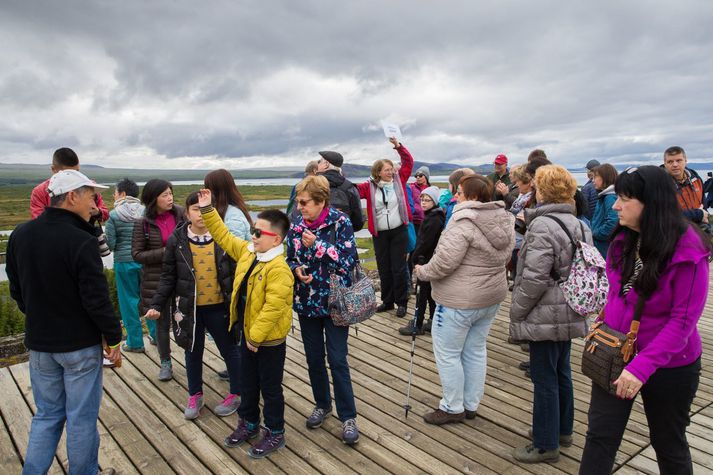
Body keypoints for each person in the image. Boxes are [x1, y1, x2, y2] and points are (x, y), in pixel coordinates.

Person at [580, 166, 711, 475]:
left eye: (624, 198)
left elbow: (682, 322)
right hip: (616, 353)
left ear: (651, 202)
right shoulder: (624, 240)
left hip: (671, 365)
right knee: (600, 436)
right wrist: (600, 323)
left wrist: (639, 368)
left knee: (668, 442)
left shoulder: (688, 251)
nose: (615, 206)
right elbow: (617, 295)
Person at [7, 170, 121, 474]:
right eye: (90, 196)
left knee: (46, 416)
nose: (95, 206)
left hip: (40, 346)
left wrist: (40, 317)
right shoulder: (81, 240)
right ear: (71, 196)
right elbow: (96, 301)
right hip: (79, 347)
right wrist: (114, 337)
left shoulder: (20, 234)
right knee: (81, 419)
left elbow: (16, 289)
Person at [198, 190, 293, 459]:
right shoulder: (250, 253)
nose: (253, 236)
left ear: (276, 238)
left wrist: (256, 337)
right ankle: (249, 423)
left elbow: (274, 307)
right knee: (248, 383)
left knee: (271, 388)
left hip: (268, 341)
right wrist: (207, 210)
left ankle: (275, 432)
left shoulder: (279, 268)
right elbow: (224, 237)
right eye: (253, 230)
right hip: (248, 334)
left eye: (259, 233)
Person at [416, 175, 514, 425]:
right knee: (475, 350)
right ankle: (470, 404)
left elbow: (444, 262)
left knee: (448, 354)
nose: (456, 196)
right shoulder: (505, 219)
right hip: (490, 296)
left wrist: (422, 271)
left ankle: (452, 406)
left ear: (471, 196)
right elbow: (505, 258)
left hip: (458, 299)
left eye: (459, 192)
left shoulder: (463, 221)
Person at [509, 165, 591, 463]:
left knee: (544, 377)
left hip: (544, 311)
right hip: (571, 305)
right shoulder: (580, 223)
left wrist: (517, 310)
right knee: (561, 371)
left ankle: (545, 443)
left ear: (542, 191)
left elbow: (534, 277)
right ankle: (562, 430)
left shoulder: (543, 226)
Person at [144, 192, 240, 420]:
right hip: (189, 309)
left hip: (220, 307)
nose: (200, 213)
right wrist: (156, 303)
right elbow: (168, 276)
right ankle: (195, 394)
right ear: (186, 213)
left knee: (230, 350)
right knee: (192, 351)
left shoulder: (224, 238)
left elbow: (237, 272)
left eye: (204, 208)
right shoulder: (177, 241)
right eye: (194, 209)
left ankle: (237, 392)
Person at [286, 175, 360, 445]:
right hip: (307, 302)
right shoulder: (296, 225)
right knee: (313, 358)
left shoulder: (341, 222)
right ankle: (322, 404)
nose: (300, 207)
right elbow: (290, 257)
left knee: (337, 360)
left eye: (304, 202)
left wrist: (316, 245)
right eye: (298, 202)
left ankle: (348, 416)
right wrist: (296, 270)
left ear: (321, 202)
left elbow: (347, 261)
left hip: (335, 302)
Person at [132, 179, 185, 381]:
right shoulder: (142, 223)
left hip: (182, 277)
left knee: (185, 319)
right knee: (161, 324)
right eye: (165, 194)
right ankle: (165, 362)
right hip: (156, 279)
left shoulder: (180, 215)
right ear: (153, 198)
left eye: (171, 193)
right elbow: (137, 254)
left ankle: (191, 357)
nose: (170, 198)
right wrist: (165, 252)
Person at [356, 137, 414, 318]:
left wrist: (398, 146)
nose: (390, 172)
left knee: (398, 267)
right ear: (378, 172)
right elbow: (351, 191)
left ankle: (402, 302)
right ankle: (387, 301)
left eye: (391, 169)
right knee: (384, 267)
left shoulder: (400, 180)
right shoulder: (368, 187)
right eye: (386, 170)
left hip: (399, 231)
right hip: (380, 234)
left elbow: (408, 162)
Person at [105, 178, 153, 352]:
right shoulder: (146, 212)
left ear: (123, 194)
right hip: (146, 261)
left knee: (129, 303)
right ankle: (155, 336)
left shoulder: (114, 215)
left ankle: (135, 342)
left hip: (124, 263)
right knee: (149, 298)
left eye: (115, 192)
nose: (114, 196)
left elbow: (110, 245)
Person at [399, 185, 445, 335]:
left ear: (435, 201)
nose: (424, 203)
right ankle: (432, 321)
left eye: (428, 200)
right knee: (429, 291)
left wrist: (414, 258)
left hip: (426, 260)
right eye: (422, 200)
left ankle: (417, 325)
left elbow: (425, 242)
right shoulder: (434, 215)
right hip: (429, 259)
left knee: (422, 293)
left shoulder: (433, 219)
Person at [30, 147, 109, 221]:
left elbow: (105, 215)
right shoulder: (40, 191)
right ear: (53, 169)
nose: (73, 176)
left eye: (76, 172)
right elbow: (38, 221)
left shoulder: (90, 187)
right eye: (67, 173)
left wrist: (97, 212)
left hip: (85, 234)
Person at [316, 151, 364, 232]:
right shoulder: (349, 187)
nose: (317, 164)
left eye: (319, 161)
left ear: (326, 164)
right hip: (344, 238)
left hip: (315, 237)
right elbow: (358, 222)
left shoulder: (312, 185)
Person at [662, 146, 708, 226]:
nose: (675, 165)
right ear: (665, 164)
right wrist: (697, 214)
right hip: (675, 232)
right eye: (670, 162)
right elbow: (663, 217)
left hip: (700, 230)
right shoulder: (661, 185)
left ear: (685, 161)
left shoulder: (695, 178)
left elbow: (704, 205)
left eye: (679, 160)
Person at [204, 169, 253, 241]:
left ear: (214, 190)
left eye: (207, 188)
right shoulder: (229, 211)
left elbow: (236, 248)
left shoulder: (232, 216)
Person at [590, 164, 619, 258]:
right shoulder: (605, 196)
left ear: (605, 177)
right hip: (603, 245)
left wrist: (595, 233)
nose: (592, 180)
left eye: (595, 177)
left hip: (604, 246)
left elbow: (613, 223)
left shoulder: (609, 197)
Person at [409, 166, 431, 233]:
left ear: (426, 177)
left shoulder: (431, 189)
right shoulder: (411, 188)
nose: (418, 177)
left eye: (420, 175)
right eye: (416, 176)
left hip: (428, 221)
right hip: (415, 221)